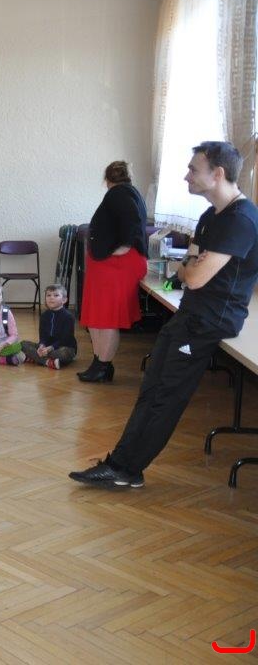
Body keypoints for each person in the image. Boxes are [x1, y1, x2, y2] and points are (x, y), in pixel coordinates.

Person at [70, 141, 258, 488]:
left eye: (193, 169)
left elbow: (194, 275)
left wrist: (192, 266)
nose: (186, 176)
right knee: (152, 387)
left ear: (218, 174)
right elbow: (186, 267)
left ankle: (126, 469)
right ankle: (121, 463)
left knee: (165, 397)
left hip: (210, 321)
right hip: (191, 313)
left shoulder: (241, 219)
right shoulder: (210, 217)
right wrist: (193, 265)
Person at [78, 161, 148, 383]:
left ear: (106, 179)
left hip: (116, 266)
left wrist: (123, 248)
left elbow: (133, 223)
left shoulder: (120, 194)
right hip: (109, 266)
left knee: (106, 318)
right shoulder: (125, 192)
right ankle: (99, 363)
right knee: (97, 317)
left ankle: (103, 366)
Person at [21, 284, 78, 369]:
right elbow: (43, 336)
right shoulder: (44, 316)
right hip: (47, 347)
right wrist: (42, 345)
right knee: (23, 344)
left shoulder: (68, 317)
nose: (51, 298)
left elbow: (65, 339)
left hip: (63, 347)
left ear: (64, 300)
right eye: (48, 295)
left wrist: (50, 348)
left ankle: (36, 358)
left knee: (64, 353)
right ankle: (48, 362)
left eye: (56, 295)